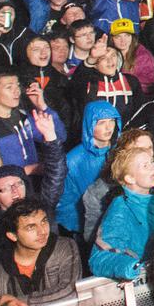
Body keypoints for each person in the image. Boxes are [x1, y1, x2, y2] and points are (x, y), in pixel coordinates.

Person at [0, 199, 82, 306]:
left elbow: (71, 291)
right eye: (31, 227)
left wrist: (16, 303)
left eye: (44, 222)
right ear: (13, 235)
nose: (42, 231)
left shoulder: (63, 247)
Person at [90, 145, 154, 280]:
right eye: (145, 166)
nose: (153, 167)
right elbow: (98, 259)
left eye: (152, 161)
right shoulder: (121, 209)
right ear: (130, 178)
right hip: (144, 279)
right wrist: (132, 267)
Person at [58, 100, 121, 234]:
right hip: (85, 223)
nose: (109, 127)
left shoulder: (120, 151)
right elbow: (66, 201)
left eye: (112, 121)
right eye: (101, 123)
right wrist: (80, 229)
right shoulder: (72, 160)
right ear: (89, 124)